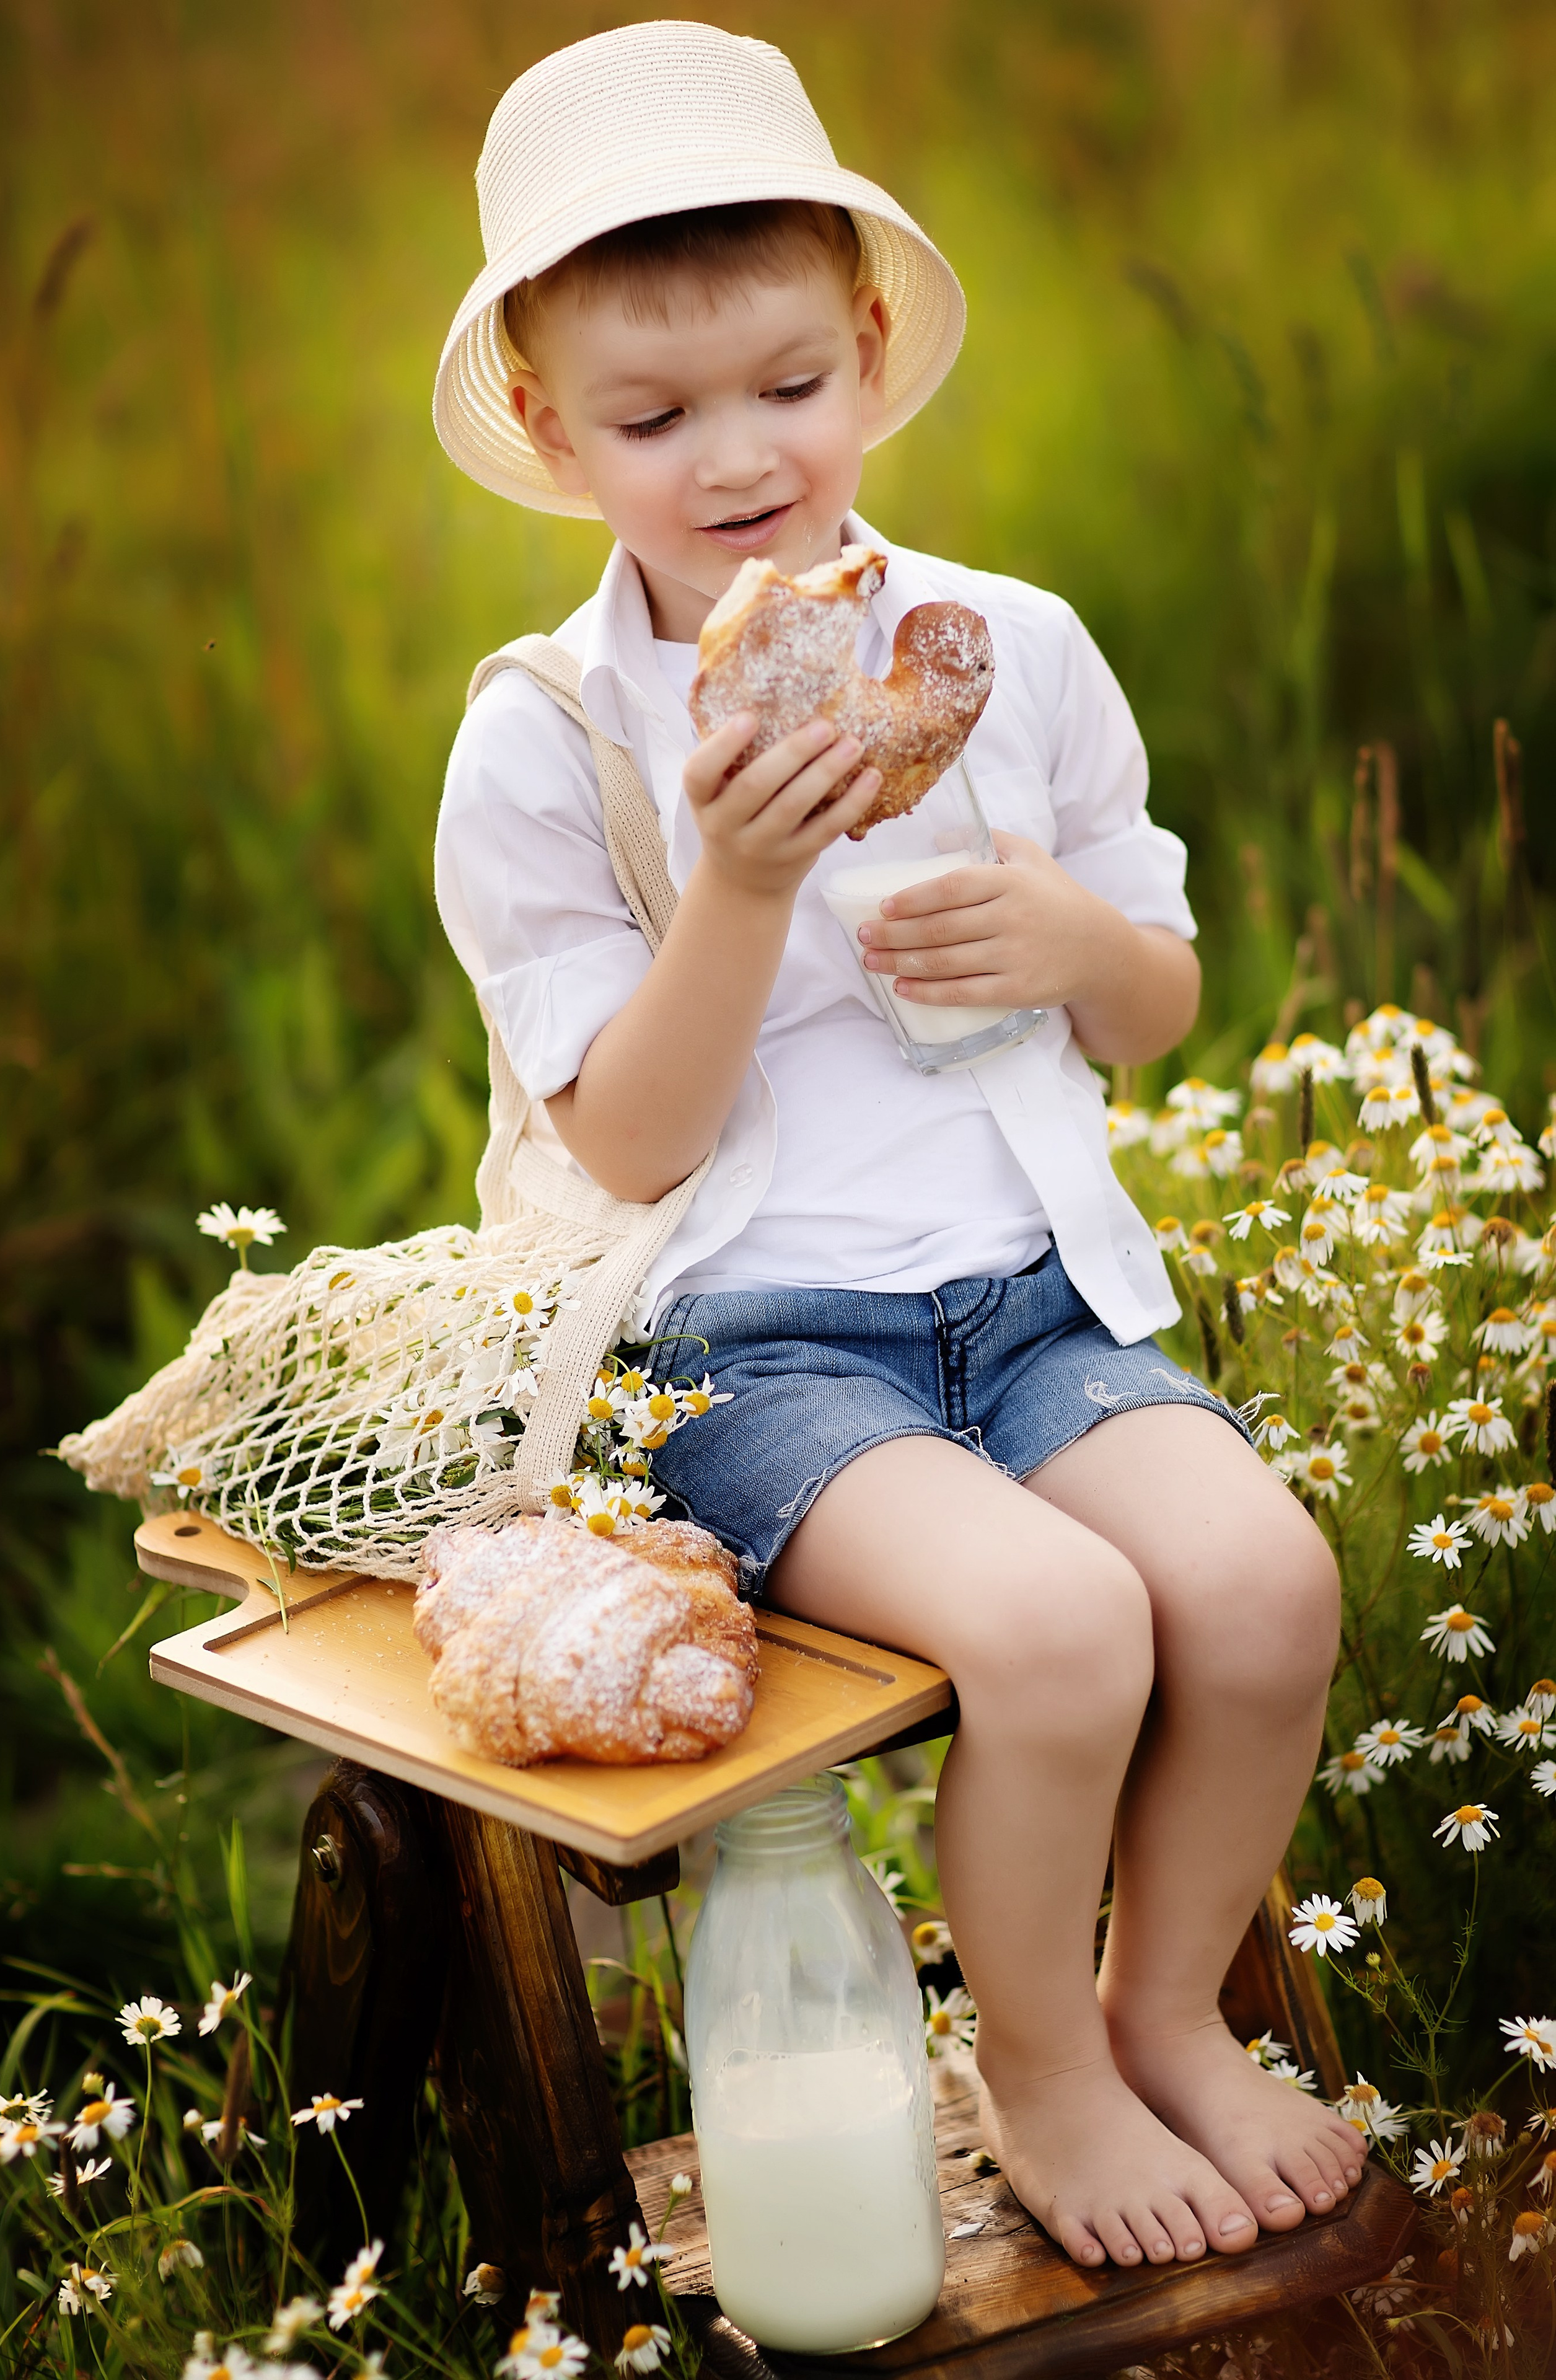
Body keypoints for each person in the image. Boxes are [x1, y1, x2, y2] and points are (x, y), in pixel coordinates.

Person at [433, 22, 1360, 2274]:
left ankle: (1161, 2011)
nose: (737, 459)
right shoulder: (548, 743)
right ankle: (1033, 2064)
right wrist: (736, 889)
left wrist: (1062, 936)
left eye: (784, 387)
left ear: (868, 351)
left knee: (1257, 1586)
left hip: (1029, 1298)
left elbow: (1157, 998)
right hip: (751, 1352)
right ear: (554, 433)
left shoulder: (1010, 653)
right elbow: (631, 1143)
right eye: (653, 422)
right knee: (1055, 1634)